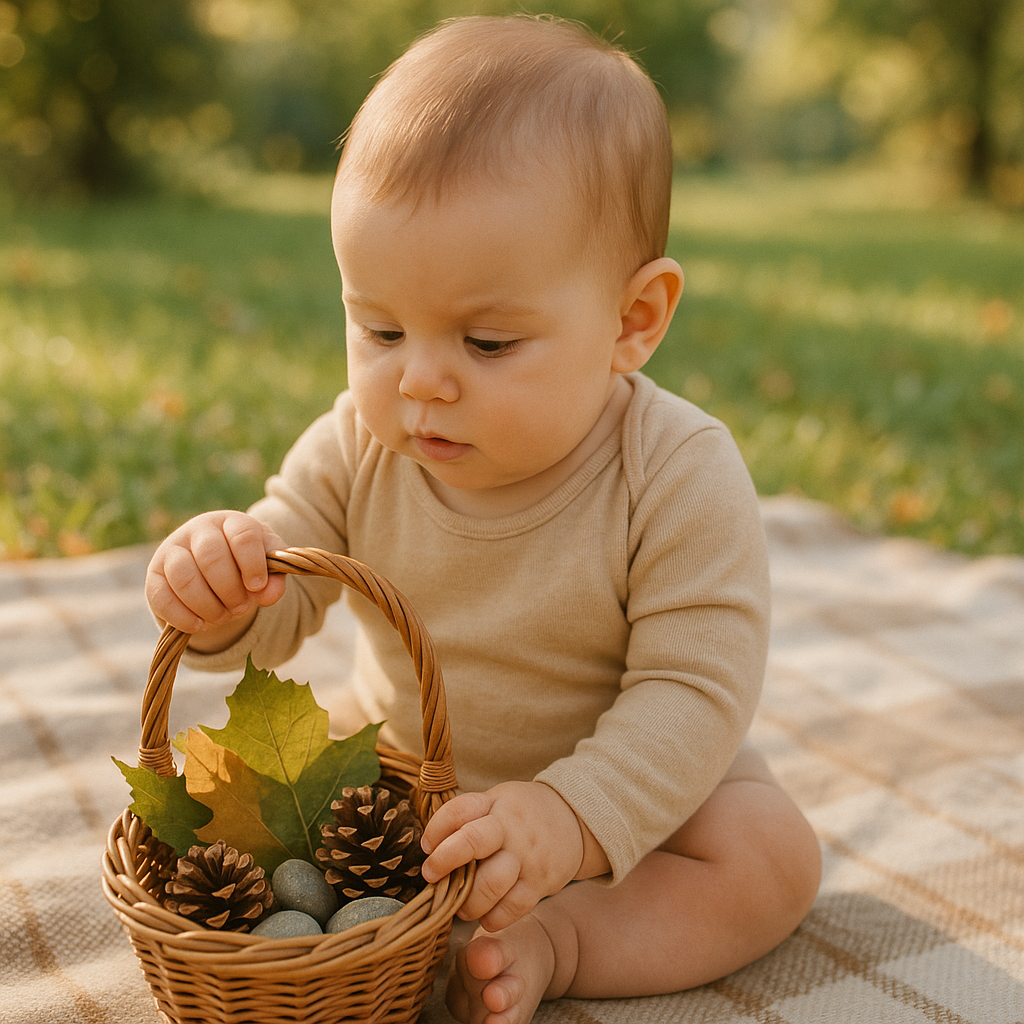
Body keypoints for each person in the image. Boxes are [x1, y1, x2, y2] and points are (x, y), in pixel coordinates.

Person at [146, 14, 821, 1024]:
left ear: (633, 321)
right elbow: (277, 592)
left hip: (626, 805)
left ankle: (569, 938)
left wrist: (570, 816)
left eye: (489, 341)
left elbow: (694, 689)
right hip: (402, 797)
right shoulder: (357, 446)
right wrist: (220, 588)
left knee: (769, 852)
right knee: (255, 808)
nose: (419, 380)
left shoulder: (675, 470)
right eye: (378, 327)